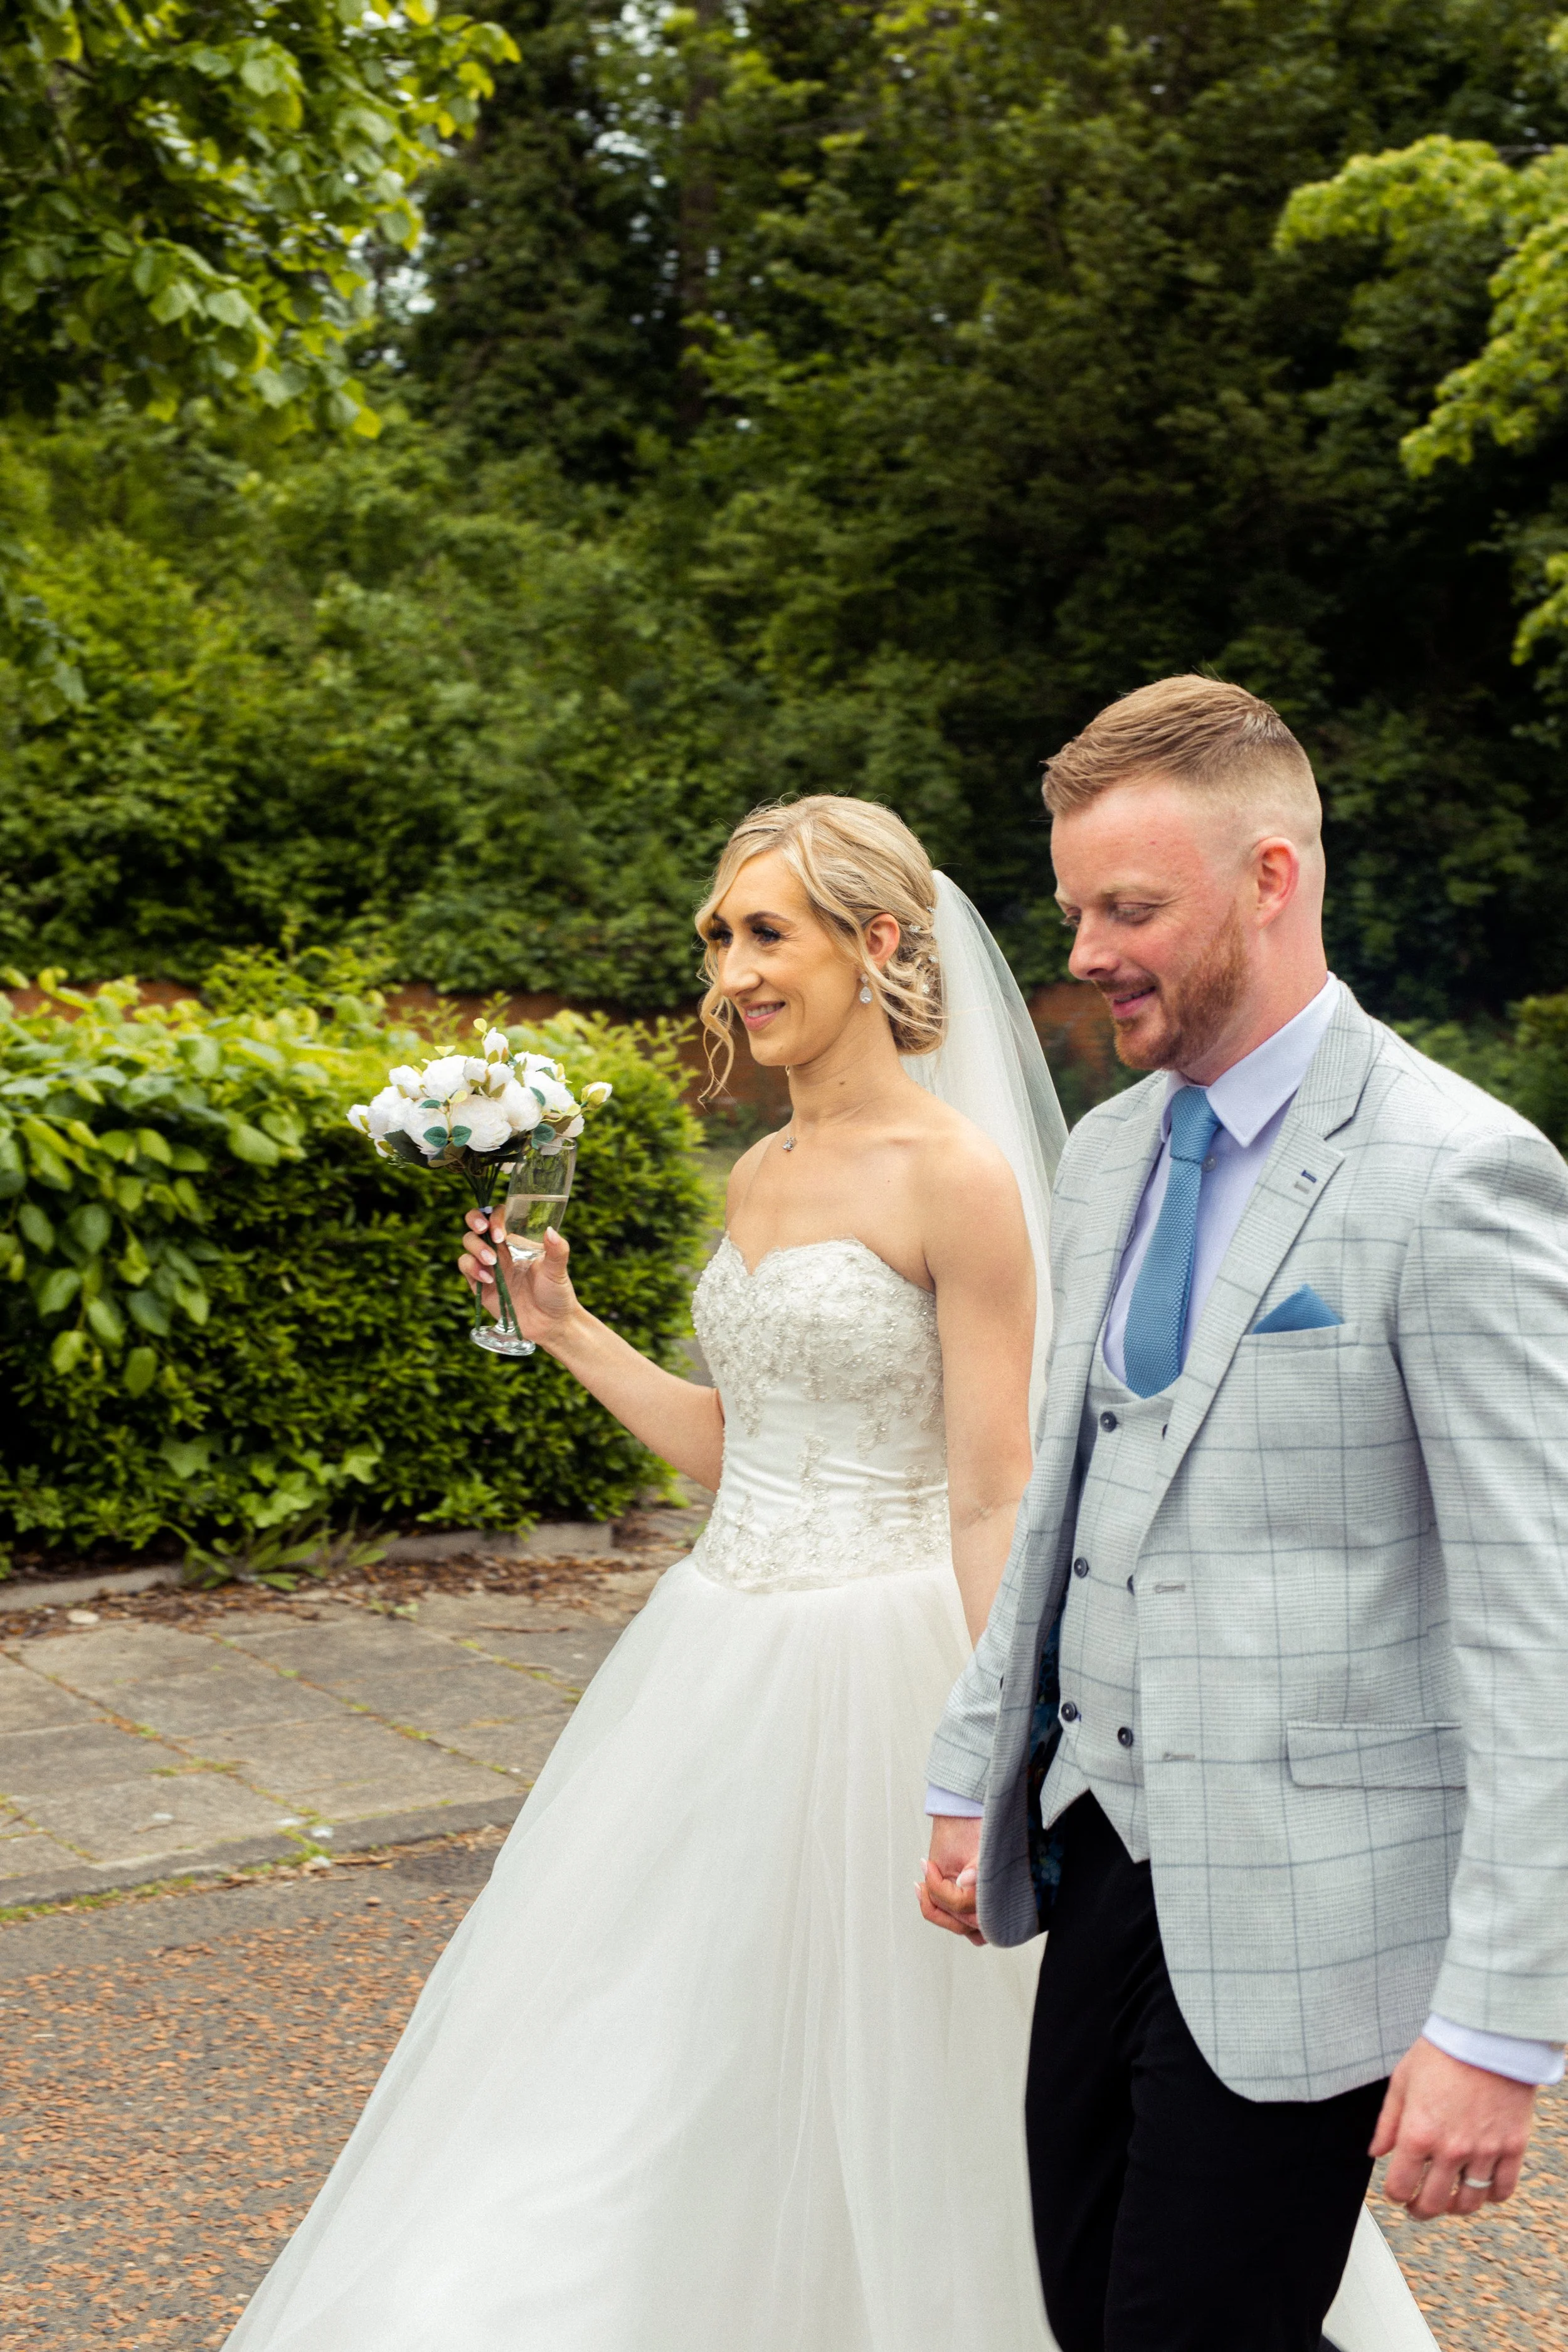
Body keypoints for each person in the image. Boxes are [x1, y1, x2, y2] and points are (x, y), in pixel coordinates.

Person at [222, 795, 1063, 2351]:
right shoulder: (758, 1172)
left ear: (876, 943)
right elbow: (745, 1449)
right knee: (651, 2059)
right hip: (712, 1657)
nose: (730, 973)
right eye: (718, 939)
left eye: (766, 933)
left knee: (902, 2085)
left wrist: (989, 1744)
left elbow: (989, 1489)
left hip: (881, 1670)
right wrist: (560, 1325)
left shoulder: (956, 1177)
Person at [920, 675, 1568, 2352]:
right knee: (1087, 2305)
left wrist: (1498, 2022)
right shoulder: (1110, 1149)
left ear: (1268, 879)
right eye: (1074, 907)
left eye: (1128, 905)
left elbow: (1537, 1619)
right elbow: (1068, 1498)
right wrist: (966, 1763)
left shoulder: (1453, 1174)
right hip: (1103, 1852)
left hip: (1317, 1901)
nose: (1086, 947)